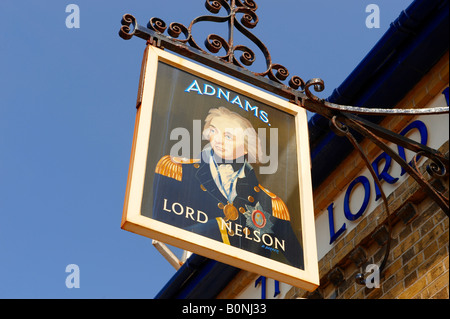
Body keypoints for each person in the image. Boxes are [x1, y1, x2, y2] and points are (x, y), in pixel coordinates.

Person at [152, 107, 303, 268]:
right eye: (214, 131)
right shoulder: (178, 171)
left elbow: (299, 264)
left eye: (228, 136)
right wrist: (216, 229)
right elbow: (158, 228)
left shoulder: (271, 204)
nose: (218, 140)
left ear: (246, 148)